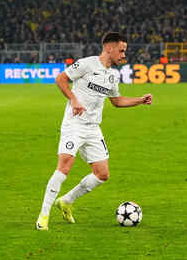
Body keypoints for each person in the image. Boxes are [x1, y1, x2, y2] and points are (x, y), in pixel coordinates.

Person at [36, 31, 153, 231]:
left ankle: (66, 201)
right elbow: (60, 79)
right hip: (74, 124)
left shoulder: (111, 76)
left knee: (102, 174)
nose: (124, 55)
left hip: (93, 128)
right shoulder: (87, 64)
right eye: (121, 50)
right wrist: (73, 99)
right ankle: (43, 216)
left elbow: (117, 101)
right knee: (64, 166)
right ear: (109, 48)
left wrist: (140, 101)